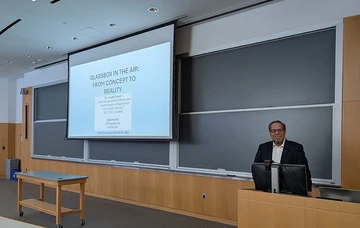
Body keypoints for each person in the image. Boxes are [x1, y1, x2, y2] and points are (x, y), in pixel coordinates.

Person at [254, 120, 312, 196]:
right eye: (273, 131)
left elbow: (304, 170)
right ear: (270, 133)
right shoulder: (263, 148)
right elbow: (256, 169)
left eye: (279, 130)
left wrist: (308, 189)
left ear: (284, 131)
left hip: (291, 192)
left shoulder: (296, 148)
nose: (277, 133)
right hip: (267, 191)